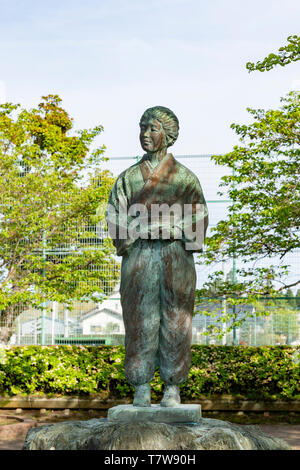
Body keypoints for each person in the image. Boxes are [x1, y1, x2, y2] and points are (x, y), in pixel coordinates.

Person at [106, 106, 208, 407]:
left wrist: (176, 228)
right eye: (142, 127)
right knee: (139, 318)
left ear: (168, 135)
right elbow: (115, 214)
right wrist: (133, 233)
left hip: (175, 256)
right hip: (139, 256)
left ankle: (173, 387)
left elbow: (199, 215)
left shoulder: (185, 178)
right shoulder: (127, 179)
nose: (145, 134)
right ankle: (140, 385)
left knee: (176, 319)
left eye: (153, 128)